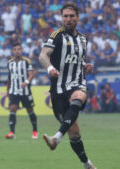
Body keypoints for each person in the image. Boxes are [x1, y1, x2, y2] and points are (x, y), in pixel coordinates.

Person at [38, 2, 96, 169]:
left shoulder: (84, 39)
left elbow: (76, 59)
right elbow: (43, 55)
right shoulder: (56, 36)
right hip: (58, 91)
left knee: (78, 96)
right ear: (61, 17)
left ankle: (56, 137)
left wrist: (84, 66)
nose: (68, 19)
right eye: (65, 16)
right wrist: (49, 68)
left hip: (77, 83)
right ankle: (87, 164)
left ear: (77, 17)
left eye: (71, 16)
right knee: (74, 131)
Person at [5, 43, 38, 139]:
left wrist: (26, 82)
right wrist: (7, 89)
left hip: (25, 91)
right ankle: (12, 132)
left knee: (30, 110)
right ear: (12, 51)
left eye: (19, 49)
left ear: (21, 50)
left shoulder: (26, 61)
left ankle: (35, 131)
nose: (17, 51)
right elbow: (9, 78)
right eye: (15, 49)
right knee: (12, 109)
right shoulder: (9, 63)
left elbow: (31, 74)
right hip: (14, 91)